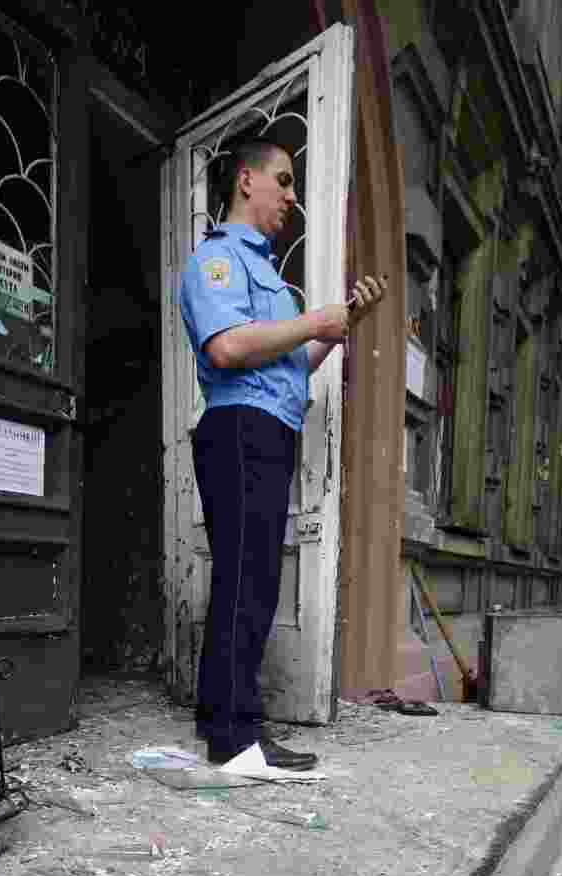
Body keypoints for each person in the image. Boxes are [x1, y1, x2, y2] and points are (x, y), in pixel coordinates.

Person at [179, 135, 387, 767]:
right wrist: (312, 320)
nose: (292, 198)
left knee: (253, 580)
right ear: (247, 181)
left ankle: (219, 716)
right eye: (285, 181)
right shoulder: (217, 261)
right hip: (239, 427)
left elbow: (293, 363)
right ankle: (236, 737)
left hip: (267, 428)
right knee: (248, 582)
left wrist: (341, 321)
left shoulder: (268, 275)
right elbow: (226, 349)